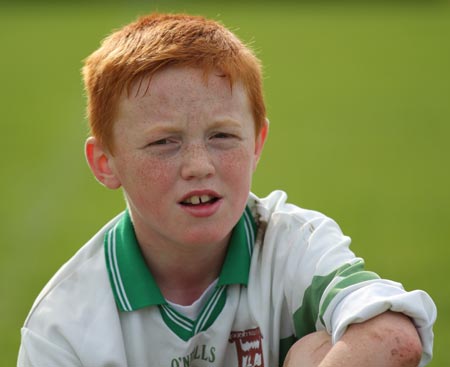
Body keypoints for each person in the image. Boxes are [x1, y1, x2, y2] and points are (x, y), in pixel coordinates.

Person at [18, 13, 436, 367]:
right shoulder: (63, 326)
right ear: (105, 164)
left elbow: (395, 338)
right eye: (164, 142)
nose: (199, 166)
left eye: (222, 136)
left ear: (257, 143)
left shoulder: (291, 245)